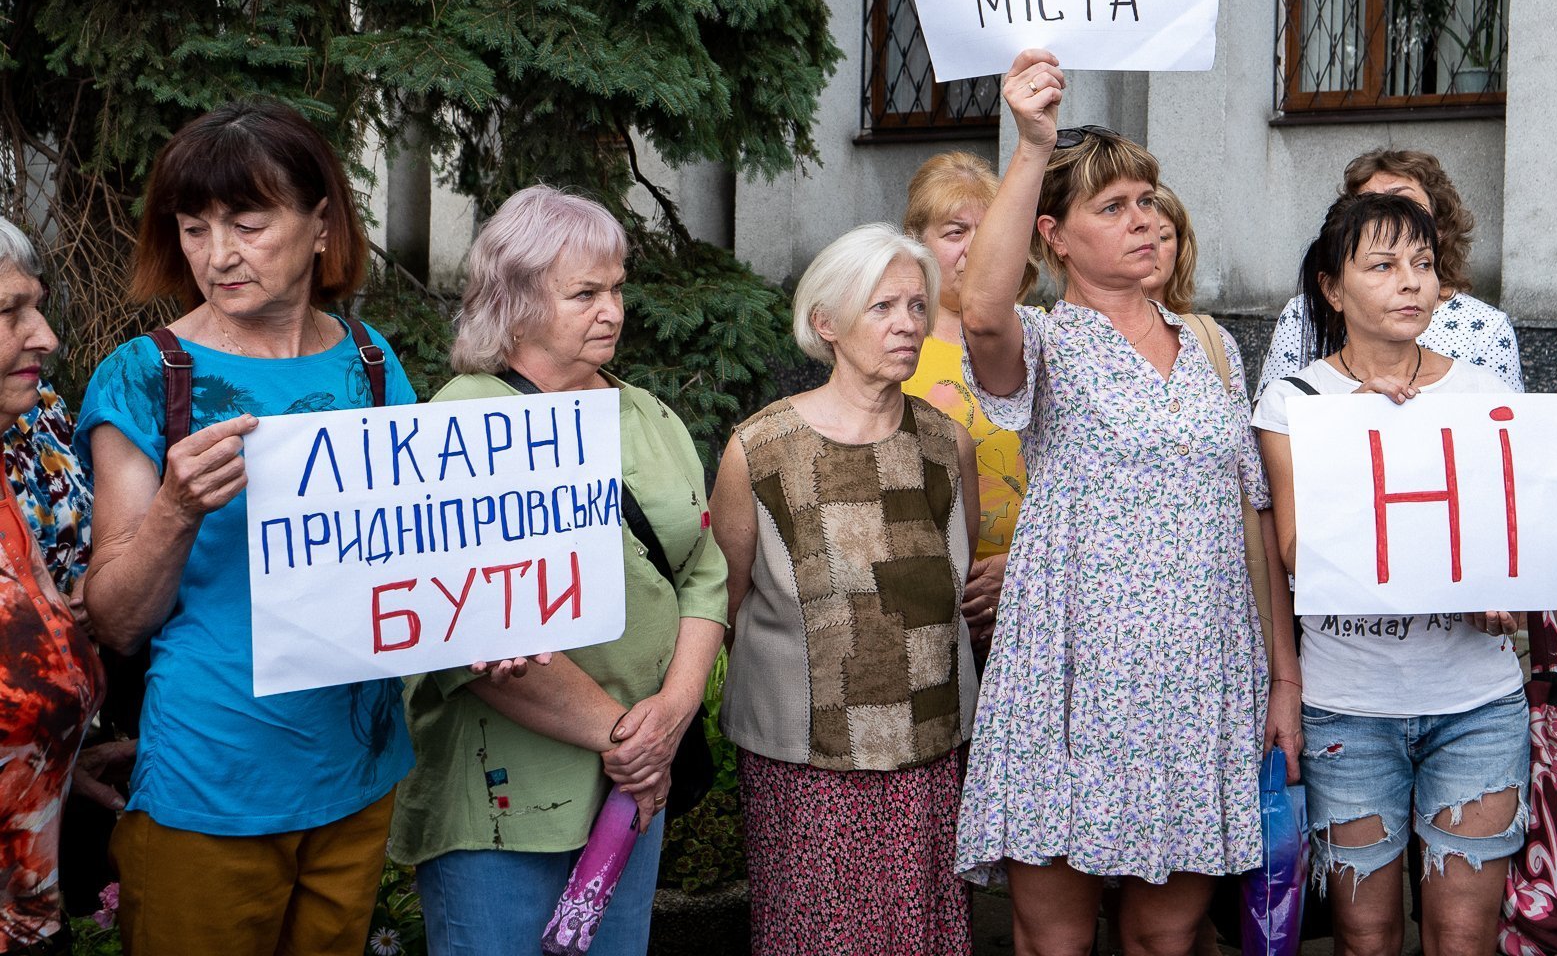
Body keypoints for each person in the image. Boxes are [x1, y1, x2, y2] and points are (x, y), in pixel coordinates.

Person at [954, 50, 1295, 956]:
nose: (1144, 220)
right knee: (1053, 939)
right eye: (1113, 207)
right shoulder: (1047, 343)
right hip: (1071, 675)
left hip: (1199, 679)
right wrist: (1030, 147)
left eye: (1149, 201)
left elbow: (1254, 527)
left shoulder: (1212, 346)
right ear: (1056, 237)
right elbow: (980, 310)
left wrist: (1284, 681)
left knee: (1166, 936)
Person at [77, 102, 416, 956]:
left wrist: (492, 617)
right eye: (194, 229)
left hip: (358, 772)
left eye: (248, 223)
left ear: (321, 223)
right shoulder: (147, 376)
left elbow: (418, 551)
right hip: (213, 778)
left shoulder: (372, 363)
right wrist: (176, 511)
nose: (217, 255)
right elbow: (113, 617)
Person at [389, 186, 727, 954]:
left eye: (616, 288)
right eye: (584, 293)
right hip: (507, 797)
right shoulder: (457, 425)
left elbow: (704, 572)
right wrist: (622, 737)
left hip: (636, 787)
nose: (611, 309)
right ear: (514, 299)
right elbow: (458, 625)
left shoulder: (646, 413)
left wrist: (671, 716)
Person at [1253, 192, 1529, 956]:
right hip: (1350, 709)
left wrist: (1507, 585)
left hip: (1477, 704)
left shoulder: (1485, 397)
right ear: (1333, 290)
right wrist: (1367, 430)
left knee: (1463, 937)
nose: (1411, 282)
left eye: (1423, 263)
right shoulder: (1296, 401)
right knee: (1366, 938)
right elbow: (1298, 554)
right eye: (1382, 265)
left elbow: (1513, 542)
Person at [713, 222, 981, 956]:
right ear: (825, 323)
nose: (908, 324)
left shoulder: (945, 442)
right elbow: (722, 606)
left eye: (917, 306)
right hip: (806, 764)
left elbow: (950, 583)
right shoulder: (759, 450)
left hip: (927, 756)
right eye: (882, 307)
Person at [1, 217, 107, 953]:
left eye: (36, 306)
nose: (45, 336)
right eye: (10, 313)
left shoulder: (27, 442)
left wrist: (60, 757)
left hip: (32, 911)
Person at [901, 152, 1029, 658]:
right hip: (920, 605)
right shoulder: (892, 344)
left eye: (989, 228)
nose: (975, 248)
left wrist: (1018, 569)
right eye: (955, 232)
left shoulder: (1039, 338)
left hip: (1031, 601)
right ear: (918, 245)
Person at [1260, 149, 1522, 394]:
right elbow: (1281, 419)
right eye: (1371, 205)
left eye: (1404, 203)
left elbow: (1507, 425)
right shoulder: (1302, 317)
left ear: (1438, 226)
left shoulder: (1485, 335)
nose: (1392, 219)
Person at [1144, 184, 1196, 315]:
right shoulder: (1086, 331)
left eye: (1162, 237)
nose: (1147, 247)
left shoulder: (1207, 333)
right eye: (1137, 235)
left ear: (1180, 249)